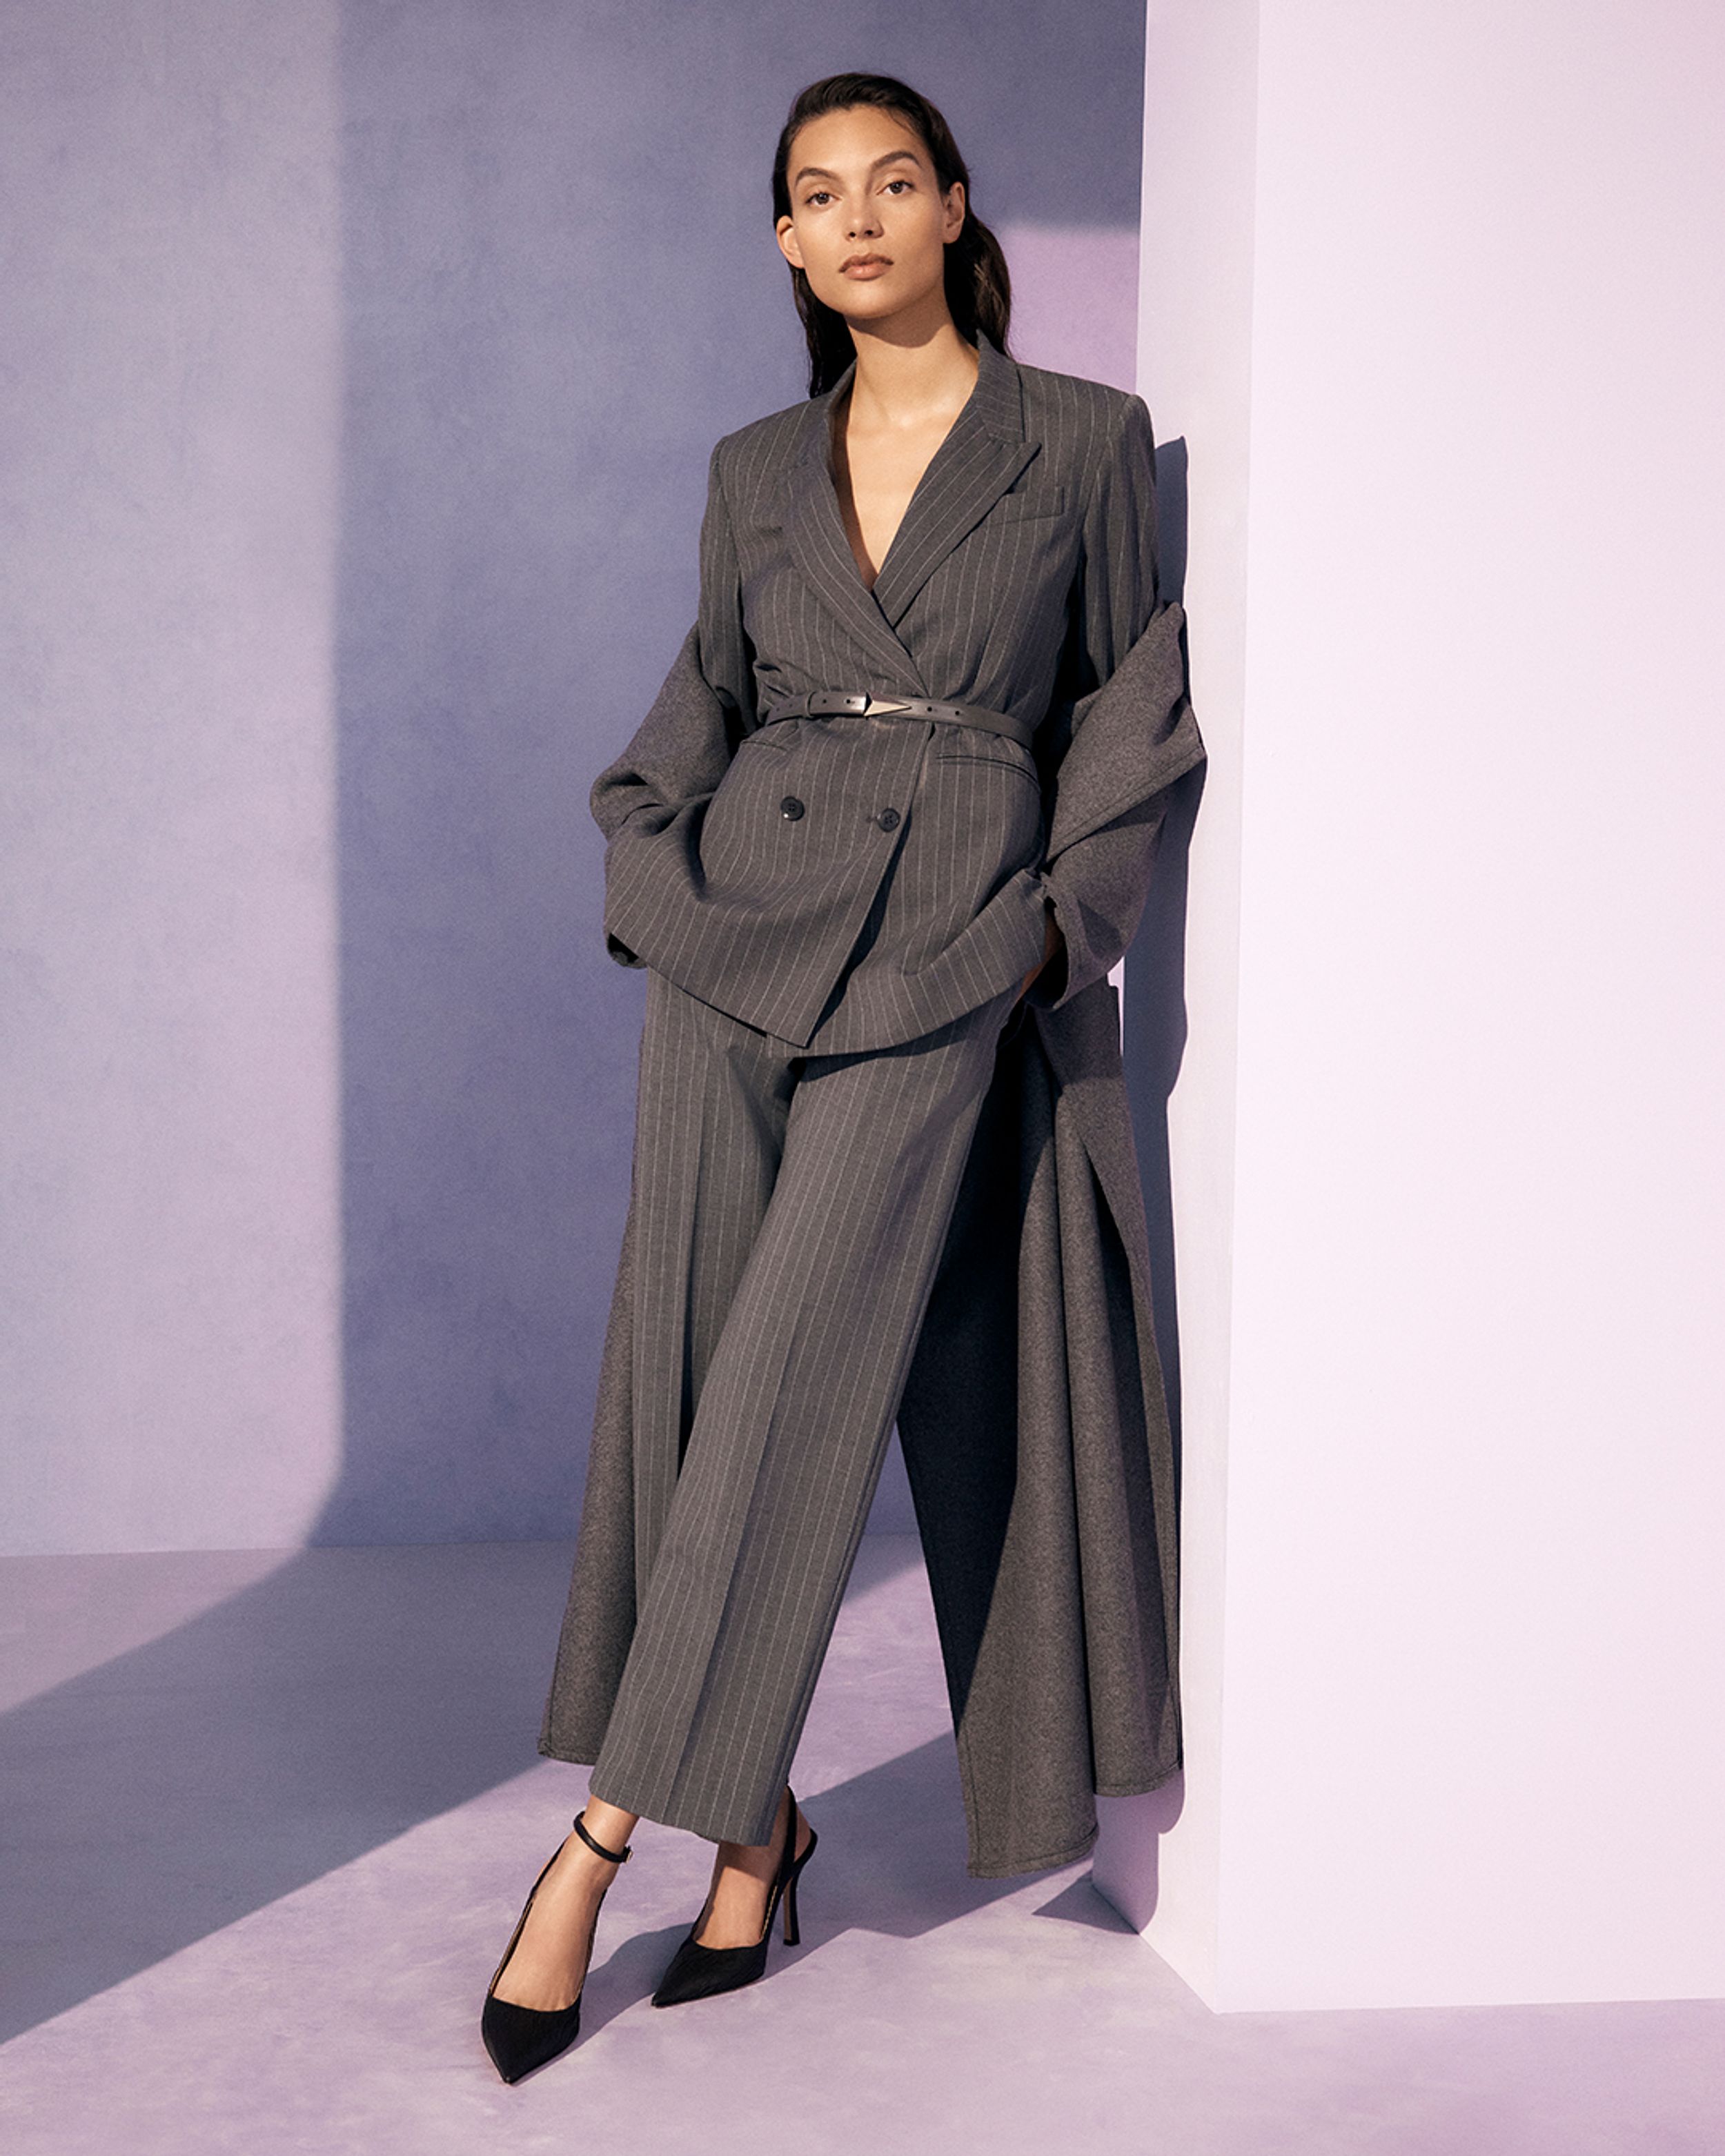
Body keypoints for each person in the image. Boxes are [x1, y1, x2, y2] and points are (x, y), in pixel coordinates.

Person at [480, 71, 1204, 2085]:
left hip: (950, 947)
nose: (861, 215)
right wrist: (645, 870)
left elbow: (1130, 711)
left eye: (896, 179)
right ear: (787, 245)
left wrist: (1057, 930)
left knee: (794, 1380)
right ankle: (754, 1836)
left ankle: (599, 1838)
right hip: (733, 947)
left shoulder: (1080, 444)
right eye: (818, 194)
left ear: (958, 208)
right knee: (693, 1385)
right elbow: (692, 712)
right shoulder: (747, 467)